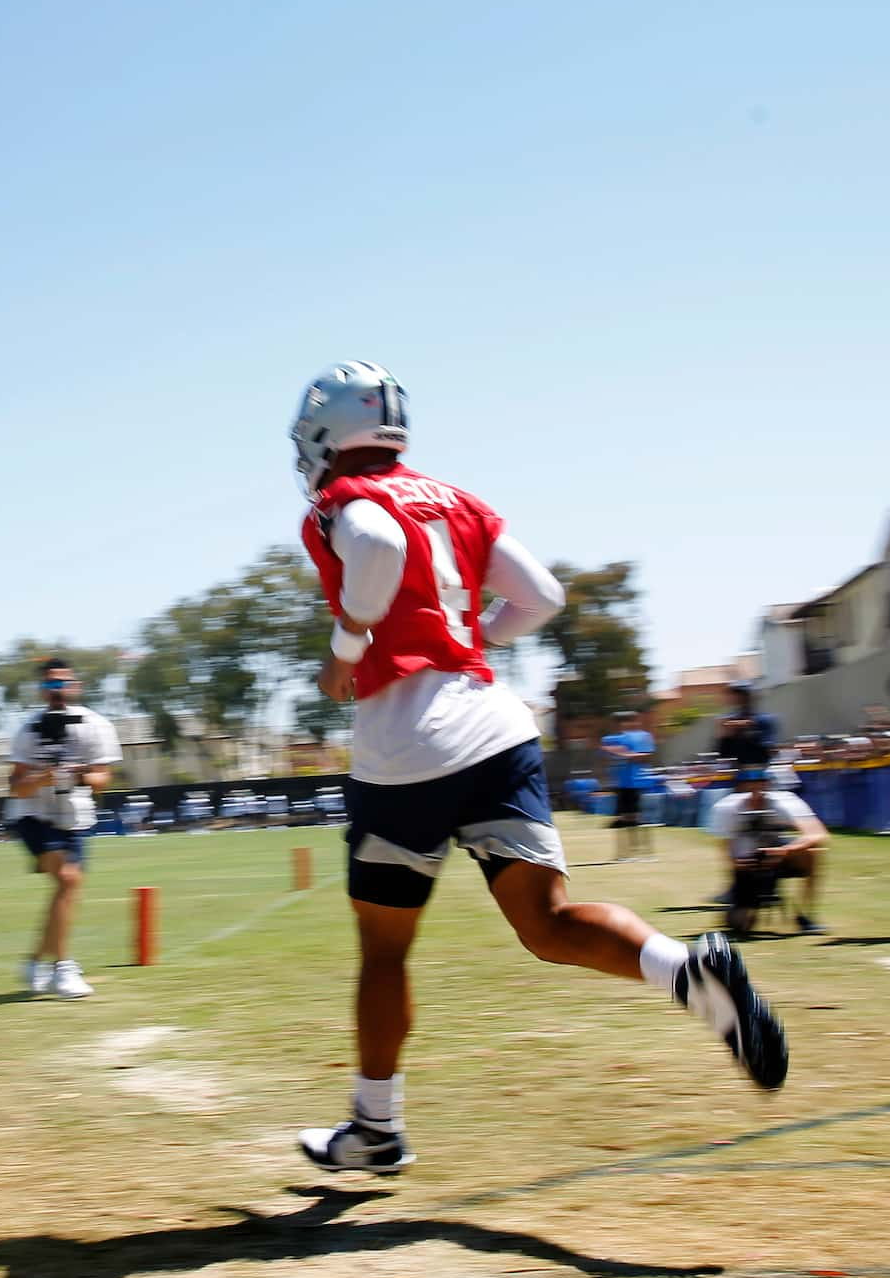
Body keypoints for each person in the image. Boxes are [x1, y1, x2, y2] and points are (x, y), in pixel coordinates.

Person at [288, 362, 787, 1173]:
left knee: (384, 952)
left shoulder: (344, 503)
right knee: (546, 923)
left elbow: (376, 547)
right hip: (495, 729)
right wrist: (469, 638)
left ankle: (375, 1127)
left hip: (405, 745)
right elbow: (542, 597)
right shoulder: (457, 501)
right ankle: (685, 970)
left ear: (321, 438)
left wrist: (345, 651)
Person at [5, 659, 122, 1000]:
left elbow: (102, 780)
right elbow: (16, 787)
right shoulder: (28, 729)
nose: (57, 691)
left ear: (75, 685)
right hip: (31, 813)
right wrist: (43, 775)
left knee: (65, 888)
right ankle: (64, 968)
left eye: (63, 684)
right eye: (50, 685)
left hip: (74, 815)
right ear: (42, 690)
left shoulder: (95, 725)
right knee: (68, 880)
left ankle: (34, 962)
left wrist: (76, 774)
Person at [706, 763, 829, 934]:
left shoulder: (785, 802)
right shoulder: (727, 808)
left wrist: (785, 851)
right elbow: (725, 848)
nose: (755, 790)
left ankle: (805, 915)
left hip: (778, 858)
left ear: (767, 784)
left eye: (760, 784)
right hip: (746, 864)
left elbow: (817, 834)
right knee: (740, 925)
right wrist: (737, 865)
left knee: (811, 853)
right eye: (750, 786)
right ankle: (737, 898)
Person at [600, 710, 657, 858]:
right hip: (620, 783)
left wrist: (626, 754)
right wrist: (625, 754)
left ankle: (643, 852)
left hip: (638, 781)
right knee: (622, 819)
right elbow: (606, 756)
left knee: (637, 817)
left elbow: (647, 756)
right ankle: (624, 853)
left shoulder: (643, 736)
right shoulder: (610, 739)